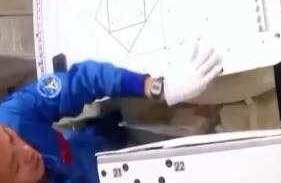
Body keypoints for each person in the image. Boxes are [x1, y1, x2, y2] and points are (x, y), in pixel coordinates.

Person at [0, 45, 223, 183]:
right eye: (15, 165)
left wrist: (156, 88)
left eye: (11, 138)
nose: (27, 151)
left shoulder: (14, 116)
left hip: (97, 145)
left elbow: (83, 81)